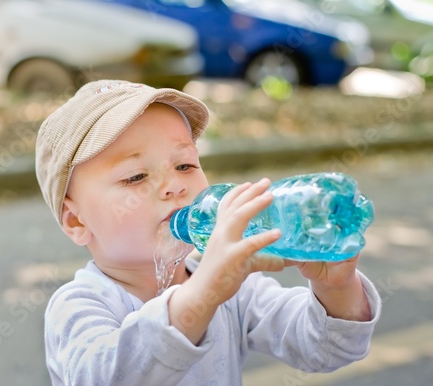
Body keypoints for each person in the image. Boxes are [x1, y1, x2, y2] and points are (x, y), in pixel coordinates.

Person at [35, 79, 381, 386]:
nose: (173, 185)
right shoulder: (80, 305)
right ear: (77, 222)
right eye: (135, 176)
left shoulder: (232, 285)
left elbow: (326, 350)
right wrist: (202, 295)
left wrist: (335, 287)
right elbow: (106, 376)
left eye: (184, 165)